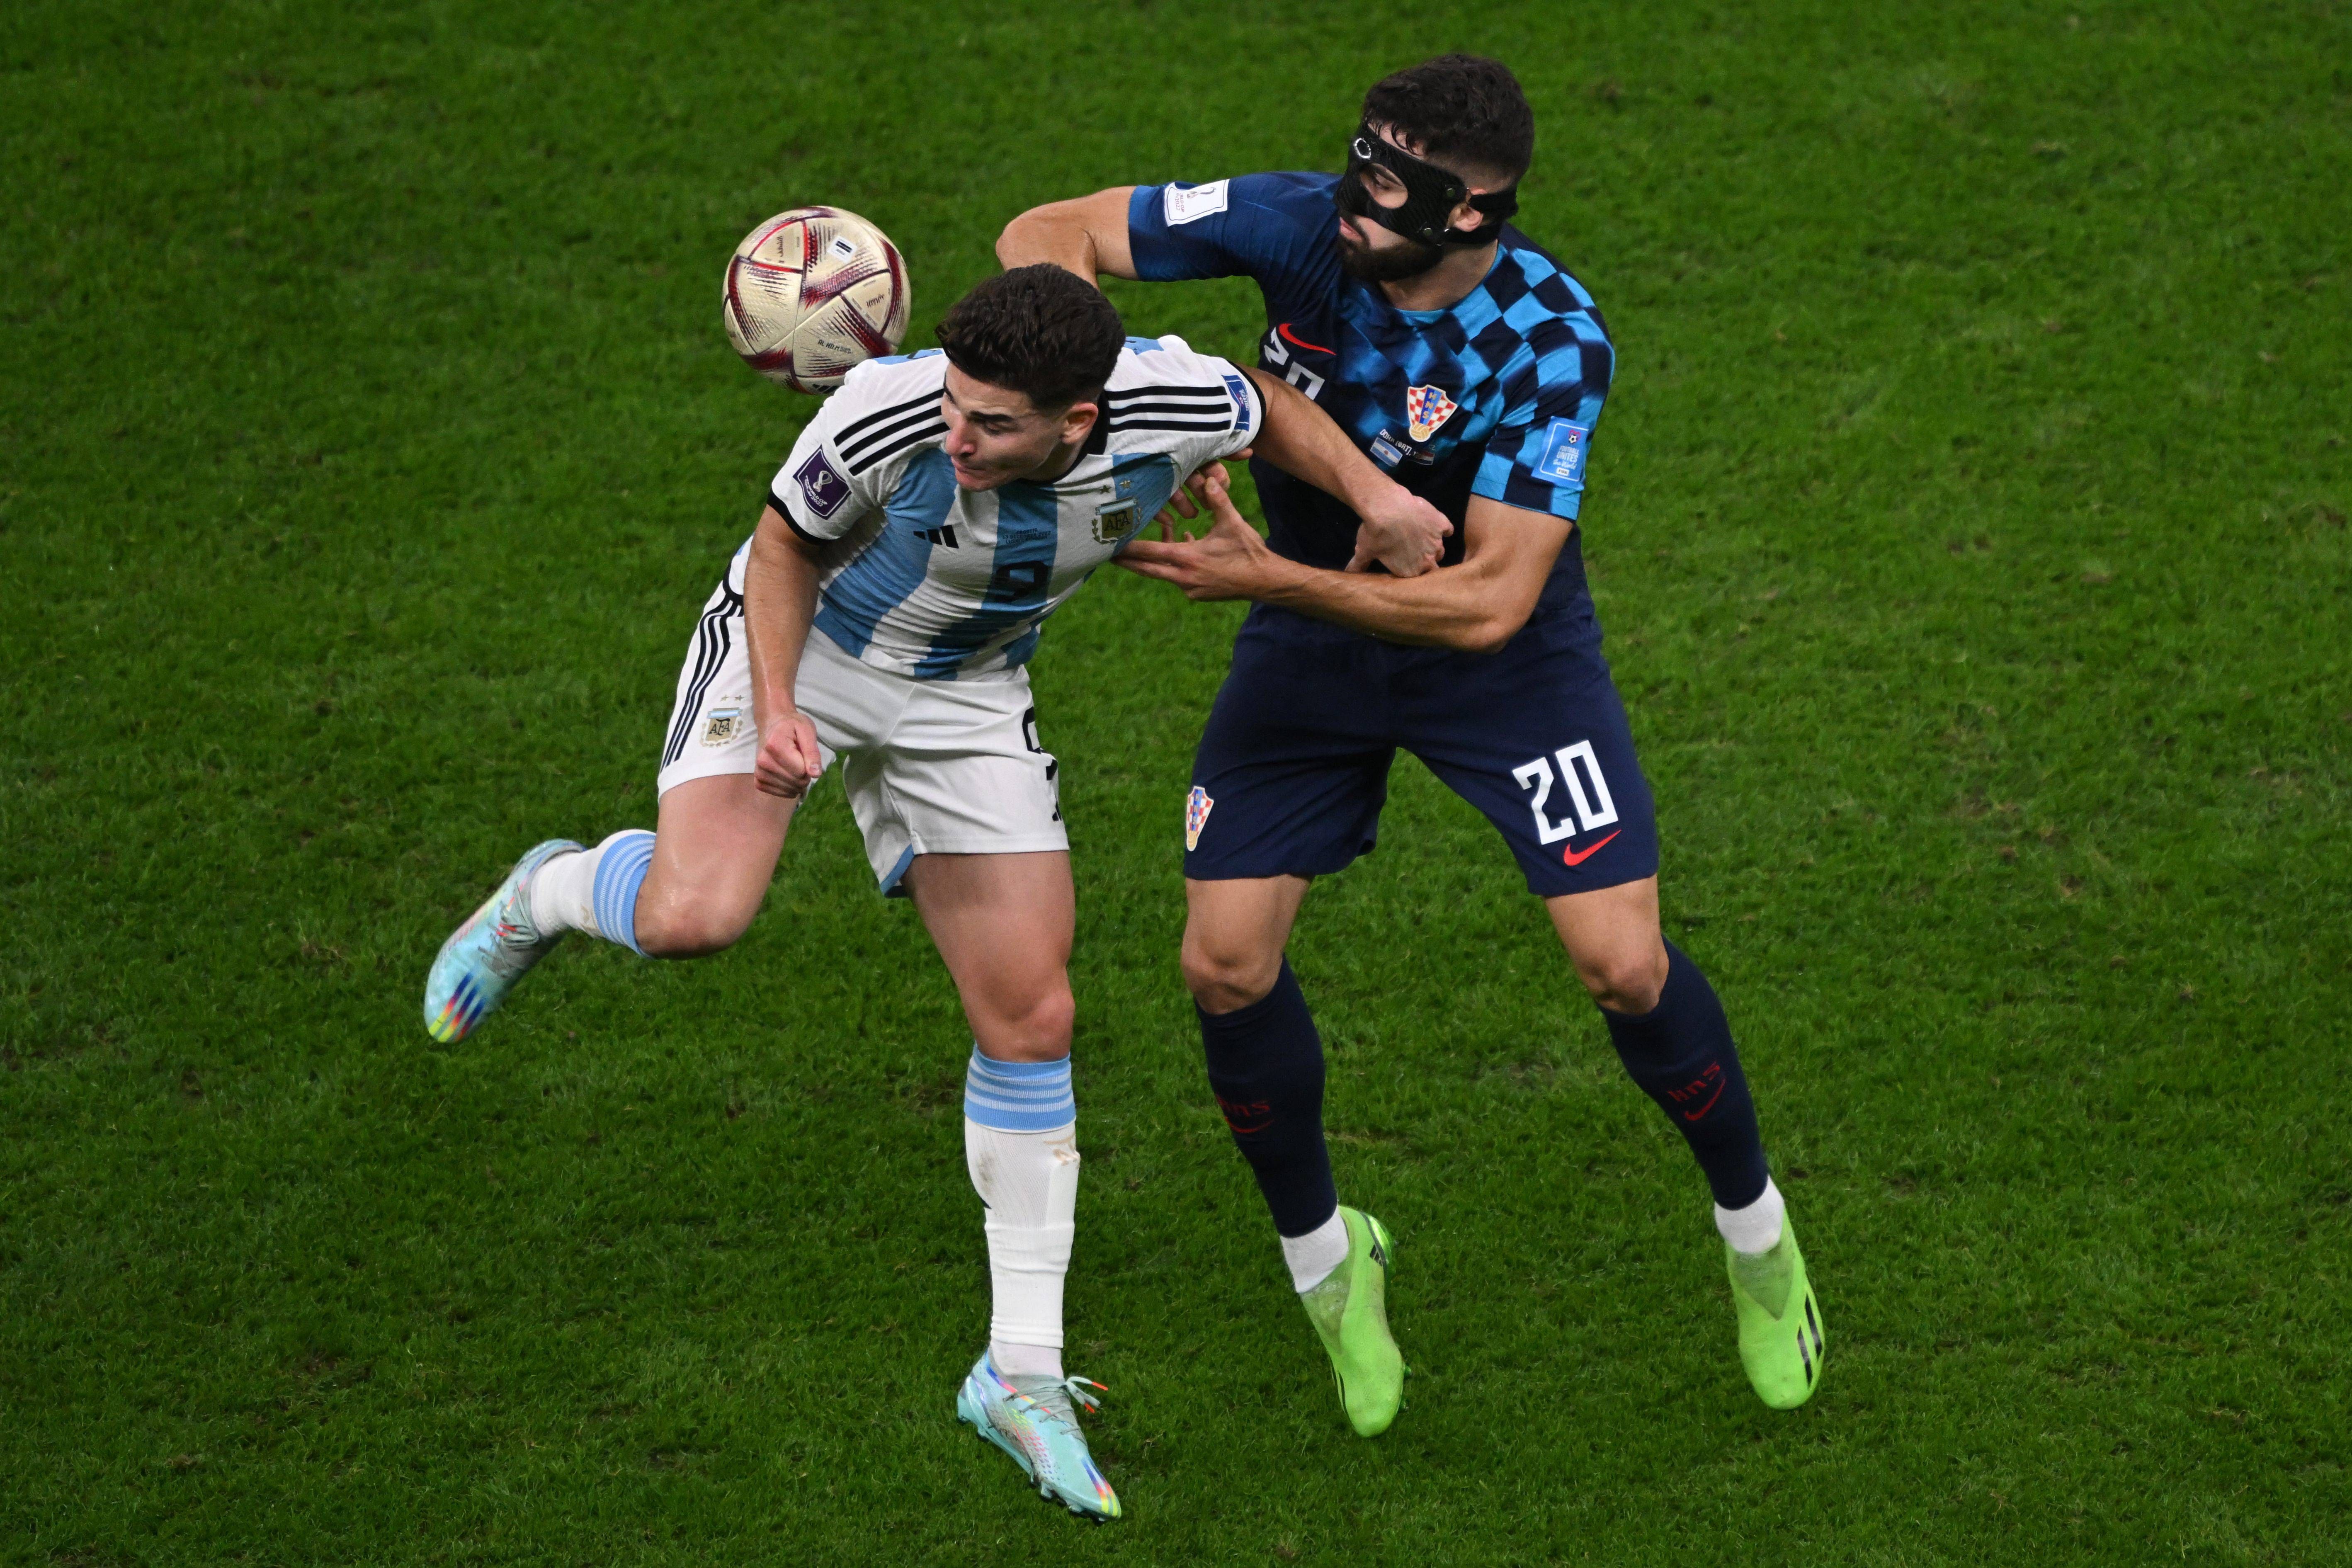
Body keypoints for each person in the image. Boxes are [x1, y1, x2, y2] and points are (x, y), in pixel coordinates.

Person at [420, 264, 1447, 1517]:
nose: (954, 435)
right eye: (953, 406)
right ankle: (551, 892)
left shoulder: (1169, 395)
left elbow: (1263, 406)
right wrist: (786, 705)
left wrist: (1378, 495)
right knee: (698, 918)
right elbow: (782, 546)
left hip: (968, 690)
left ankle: (1018, 1374)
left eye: (992, 424)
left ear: (1080, 420)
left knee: (1033, 1016)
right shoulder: (883, 411)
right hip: (805, 649)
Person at [997, 55, 1825, 1437]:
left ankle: (1757, 1242)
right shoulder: (1292, 225)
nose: (1357, 195)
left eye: (1397, 182)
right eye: (1362, 156)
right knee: (1221, 963)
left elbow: (1492, 602)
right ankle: (1331, 1271)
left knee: (1621, 966)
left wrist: (1275, 582)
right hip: (1310, 650)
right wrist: (1110, 361)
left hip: (1491, 663)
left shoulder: (1549, 339)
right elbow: (1048, 233)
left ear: (1471, 214)